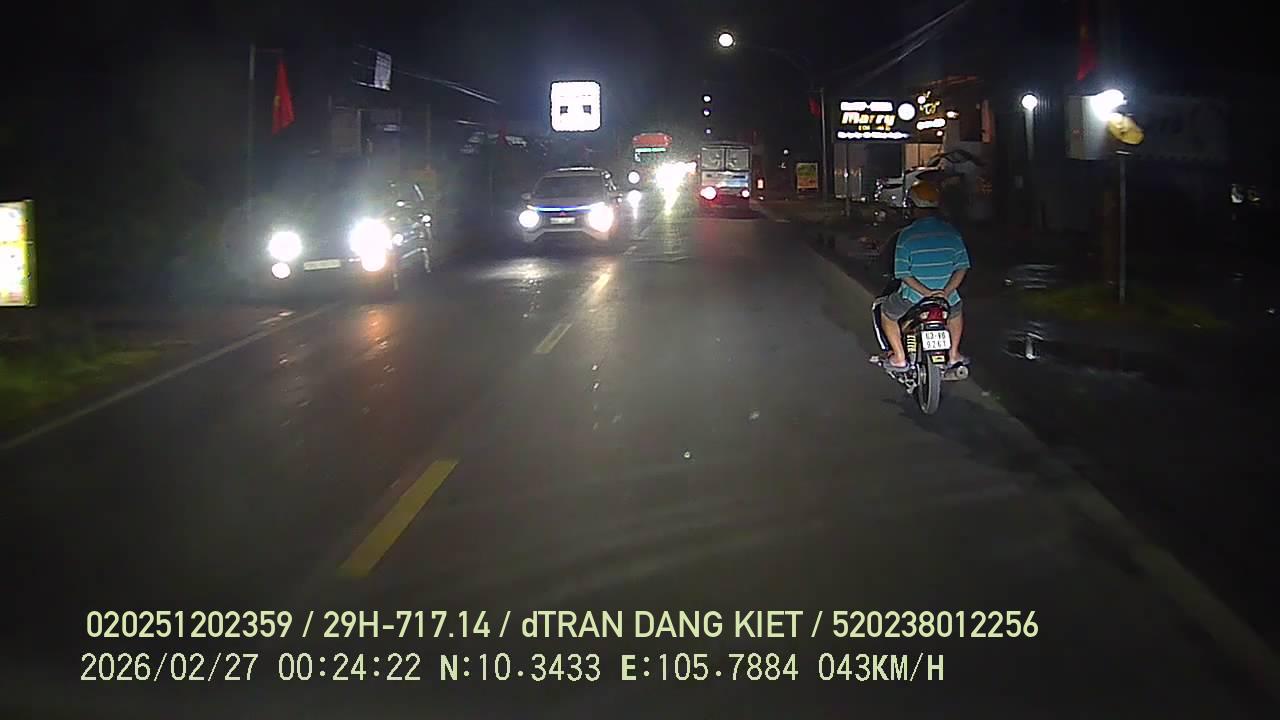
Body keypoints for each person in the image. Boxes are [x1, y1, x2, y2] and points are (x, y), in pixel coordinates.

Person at [878, 181, 971, 370]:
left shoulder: (906, 236)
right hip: (946, 298)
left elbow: (903, 274)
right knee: (956, 313)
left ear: (913, 208)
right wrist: (946, 292)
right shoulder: (952, 233)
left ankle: (899, 357)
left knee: (887, 313)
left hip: (913, 297)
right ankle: (954, 354)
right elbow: (961, 268)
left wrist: (927, 293)